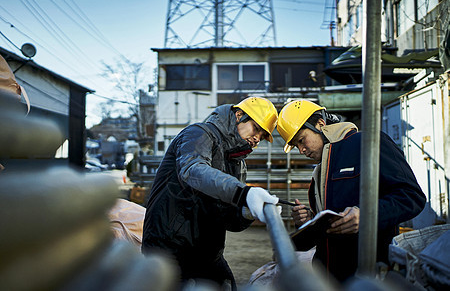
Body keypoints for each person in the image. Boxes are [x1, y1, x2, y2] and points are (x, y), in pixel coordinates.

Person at [277, 99, 426, 282]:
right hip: (329, 276)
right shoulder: (321, 168)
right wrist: (312, 219)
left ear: (320, 124)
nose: (301, 150)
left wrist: (366, 217)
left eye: (301, 140)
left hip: (367, 275)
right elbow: (334, 215)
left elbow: (412, 196)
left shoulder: (368, 142)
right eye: (296, 146)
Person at [142, 97, 280, 290]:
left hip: (206, 252)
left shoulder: (236, 163)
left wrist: (247, 212)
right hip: (168, 249)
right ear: (238, 115)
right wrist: (242, 193)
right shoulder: (199, 133)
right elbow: (193, 170)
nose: (257, 138)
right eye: (256, 128)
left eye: (263, 136)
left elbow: (229, 219)